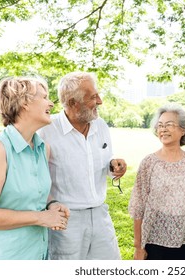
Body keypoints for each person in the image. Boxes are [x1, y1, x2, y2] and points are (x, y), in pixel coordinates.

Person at [0, 77, 70, 260]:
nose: (51, 103)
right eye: (44, 97)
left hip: (35, 256)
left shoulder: (42, 148)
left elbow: (36, 191)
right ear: (24, 102)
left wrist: (52, 204)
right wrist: (41, 217)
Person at [38, 71, 126, 260]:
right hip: (66, 220)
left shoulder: (100, 125)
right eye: (93, 97)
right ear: (71, 103)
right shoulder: (45, 130)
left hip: (101, 215)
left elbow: (104, 159)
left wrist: (113, 166)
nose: (100, 101)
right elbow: (37, 178)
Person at [128, 103, 185, 260]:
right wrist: (138, 246)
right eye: (160, 125)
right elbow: (138, 206)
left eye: (169, 125)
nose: (163, 129)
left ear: (183, 129)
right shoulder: (148, 163)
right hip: (154, 241)